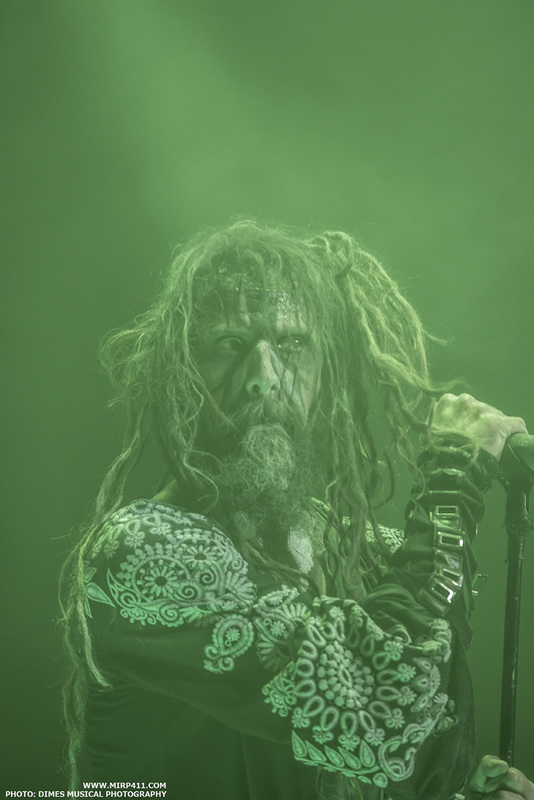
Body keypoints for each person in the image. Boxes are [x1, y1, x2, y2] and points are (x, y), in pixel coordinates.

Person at [61, 221, 534, 800]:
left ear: (324, 375)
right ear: (182, 372)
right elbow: (381, 710)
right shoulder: (142, 548)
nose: (263, 378)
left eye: (291, 346)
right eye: (230, 344)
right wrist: (453, 474)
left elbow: (407, 748)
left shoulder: (356, 550)